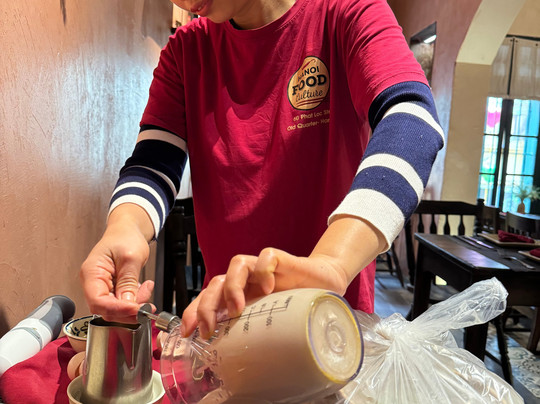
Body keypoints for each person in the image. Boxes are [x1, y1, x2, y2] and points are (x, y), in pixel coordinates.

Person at [80, 0, 444, 339]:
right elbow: (155, 161)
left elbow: (412, 120)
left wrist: (332, 263)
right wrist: (125, 228)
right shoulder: (186, 51)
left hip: (331, 325)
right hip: (226, 322)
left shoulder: (346, 12)